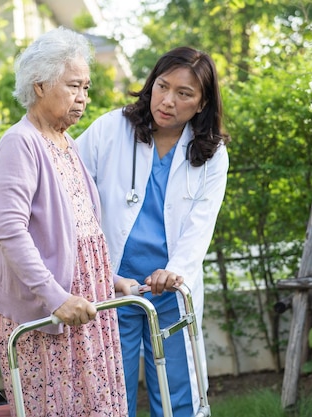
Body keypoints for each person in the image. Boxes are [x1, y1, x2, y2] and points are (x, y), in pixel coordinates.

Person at [0, 27, 140, 417]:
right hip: (49, 313)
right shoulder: (20, 143)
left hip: (86, 308)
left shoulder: (66, 142)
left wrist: (109, 280)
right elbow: (10, 231)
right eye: (74, 86)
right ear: (39, 85)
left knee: (98, 406)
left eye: (86, 87)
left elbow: (81, 232)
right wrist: (56, 298)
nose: (83, 97)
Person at [76, 46, 230, 417]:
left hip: (170, 288)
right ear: (151, 85)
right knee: (114, 389)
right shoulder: (111, 128)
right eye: (163, 86)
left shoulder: (211, 154)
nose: (168, 101)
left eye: (184, 94)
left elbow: (200, 224)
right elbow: (70, 189)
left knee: (177, 392)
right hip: (113, 284)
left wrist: (174, 271)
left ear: (202, 102)